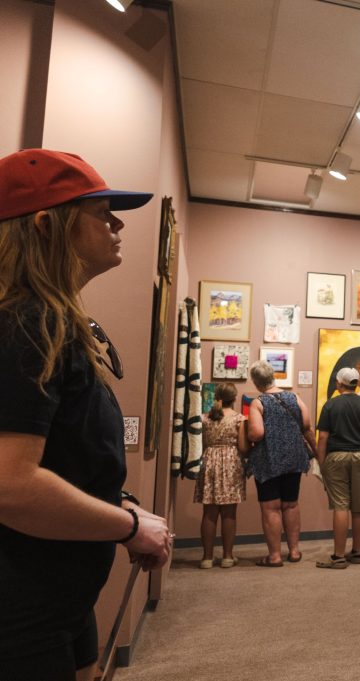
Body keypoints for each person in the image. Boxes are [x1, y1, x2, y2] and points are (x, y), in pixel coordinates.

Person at [0, 149, 172, 681]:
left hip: (62, 590)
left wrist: (119, 505)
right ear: (48, 225)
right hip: (22, 610)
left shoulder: (54, 322)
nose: (117, 223)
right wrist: (126, 527)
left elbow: (63, 457)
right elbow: (11, 485)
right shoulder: (28, 324)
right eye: (101, 211)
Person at [245, 360, 316, 567]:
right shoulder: (294, 397)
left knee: (271, 508)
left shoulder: (259, 403)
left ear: (257, 382)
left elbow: (257, 433)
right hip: (294, 458)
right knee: (291, 504)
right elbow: (306, 425)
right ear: (273, 377)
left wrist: (248, 432)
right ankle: (294, 551)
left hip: (268, 459)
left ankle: (275, 556)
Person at [314, 367, 360, 569]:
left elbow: (323, 437)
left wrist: (320, 462)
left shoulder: (330, 405)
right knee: (359, 507)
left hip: (336, 457)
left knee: (340, 505)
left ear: (339, 384)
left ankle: (338, 556)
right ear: (355, 383)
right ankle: (358, 552)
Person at [195, 383, 248, 568]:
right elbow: (242, 447)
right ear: (234, 398)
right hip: (231, 463)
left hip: (209, 461)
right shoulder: (239, 419)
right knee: (229, 513)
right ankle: (227, 556)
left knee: (209, 513)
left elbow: (200, 444)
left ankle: (207, 558)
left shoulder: (204, 418)